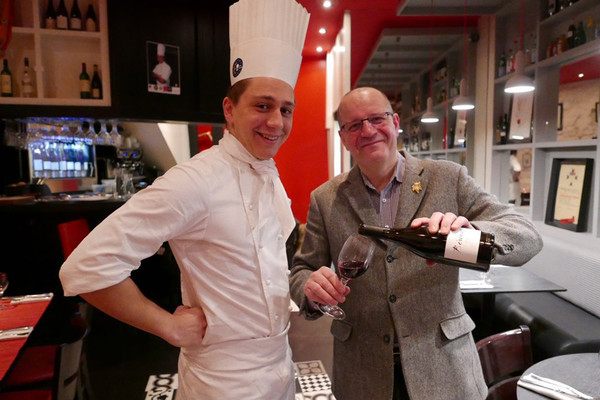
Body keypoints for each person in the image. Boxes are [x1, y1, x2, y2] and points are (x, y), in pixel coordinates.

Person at [59, 0, 309, 398]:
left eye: (286, 109)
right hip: (223, 382)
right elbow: (85, 268)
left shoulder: (267, 172)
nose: (276, 122)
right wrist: (167, 325)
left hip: (280, 366)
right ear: (229, 109)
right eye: (262, 106)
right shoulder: (196, 181)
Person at [289, 87, 543, 400]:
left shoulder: (448, 178)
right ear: (343, 137)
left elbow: (527, 236)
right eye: (354, 125)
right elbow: (302, 269)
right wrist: (311, 289)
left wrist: (470, 231)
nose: (367, 131)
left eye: (376, 119)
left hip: (443, 366)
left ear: (395, 121)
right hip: (362, 371)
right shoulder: (326, 198)